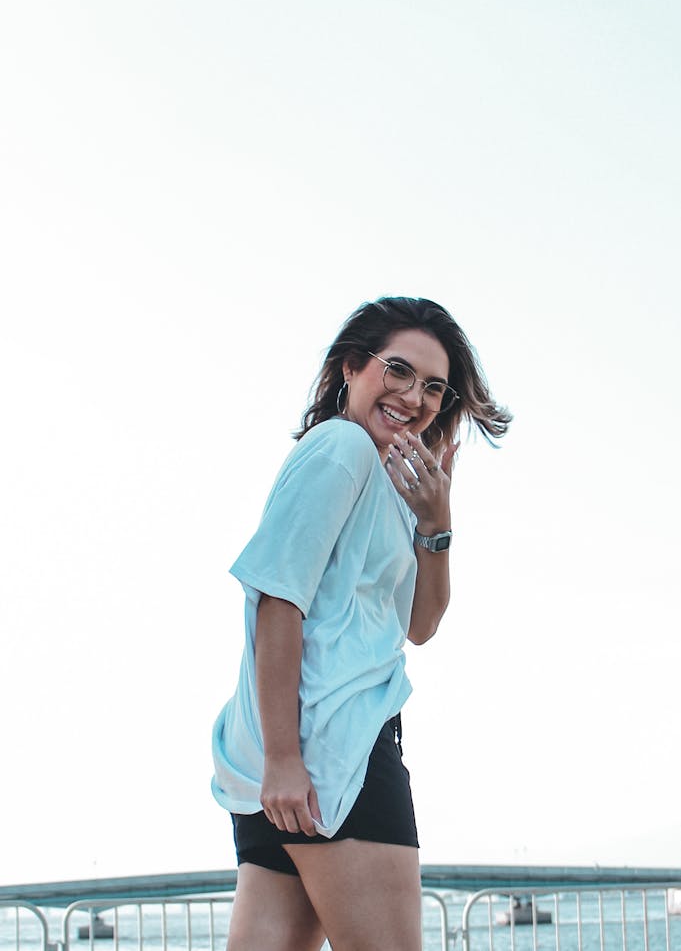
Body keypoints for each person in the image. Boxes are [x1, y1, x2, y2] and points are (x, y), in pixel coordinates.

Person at [212, 296, 510, 951]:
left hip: (290, 761)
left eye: (434, 387)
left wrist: (436, 525)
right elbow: (277, 600)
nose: (414, 395)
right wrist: (287, 760)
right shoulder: (343, 448)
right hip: (328, 754)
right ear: (352, 366)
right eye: (398, 370)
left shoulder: (385, 482)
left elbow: (420, 626)